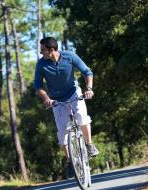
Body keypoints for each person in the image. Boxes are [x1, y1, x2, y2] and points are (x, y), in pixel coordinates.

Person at [34, 37, 99, 178]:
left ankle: (89, 144)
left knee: (81, 116)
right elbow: (38, 86)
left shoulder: (70, 56)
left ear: (52, 50)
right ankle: (70, 160)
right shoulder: (41, 64)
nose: (41, 52)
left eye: (43, 49)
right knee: (62, 132)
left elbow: (87, 72)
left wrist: (89, 88)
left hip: (73, 92)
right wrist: (46, 98)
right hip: (56, 99)